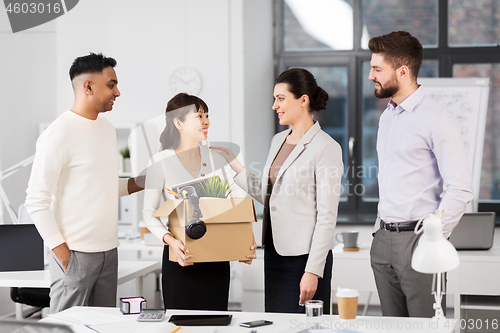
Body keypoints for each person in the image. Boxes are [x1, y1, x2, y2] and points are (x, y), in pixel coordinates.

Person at [212, 68, 343, 313]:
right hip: (274, 253)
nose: (275, 105)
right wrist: (234, 163)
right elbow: (270, 196)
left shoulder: (326, 148)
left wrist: (313, 270)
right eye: (275, 99)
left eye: (281, 98)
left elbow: (327, 216)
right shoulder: (278, 140)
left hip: (304, 259)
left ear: (303, 100)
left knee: (306, 328)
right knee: (277, 324)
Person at [25, 53, 143, 313]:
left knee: (101, 327)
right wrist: (64, 256)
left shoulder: (107, 129)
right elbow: (36, 200)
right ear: (88, 87)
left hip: (109, 252)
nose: (118, 92)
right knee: (65, 329)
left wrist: (143, 181)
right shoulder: (58, 134)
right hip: (75, 253)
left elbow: (105, 186)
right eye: (111, 85)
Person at [368, 31, 473, 317]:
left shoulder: (438, 119)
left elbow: (460, 188)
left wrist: (434, 238)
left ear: (402, 71)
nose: (370, 75)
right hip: (384, 241)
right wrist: (379, 232)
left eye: (377, 69)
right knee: (392, 327)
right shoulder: (386, 117)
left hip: (420, 240)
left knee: (426, 327)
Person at [142, 93, 256, 311]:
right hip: (181, 257)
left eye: (207, 115)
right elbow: (149, 213)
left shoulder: (217, 158)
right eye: (199, 115)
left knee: (215, 324)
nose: (206, 121)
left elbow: (235, 204)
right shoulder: (159, 161)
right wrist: (170, 241)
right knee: (181, 324)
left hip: (217, 258)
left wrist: (243, 239)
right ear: (178, 122)